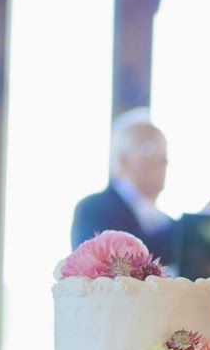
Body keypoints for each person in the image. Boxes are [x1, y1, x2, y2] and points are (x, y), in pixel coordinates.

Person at [71, 108, 175, 264]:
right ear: (122, 159)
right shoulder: (94, 209)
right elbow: (111, 266)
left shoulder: (167, 223)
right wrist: (187, 232)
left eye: (164, 151)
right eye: (151, 149)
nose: (163, 160)